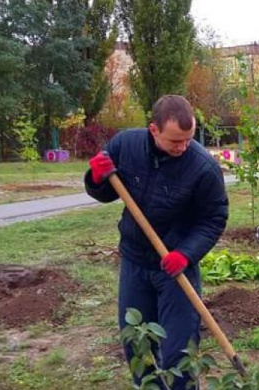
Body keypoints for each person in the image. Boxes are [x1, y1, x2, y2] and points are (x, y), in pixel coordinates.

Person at [84, 95, 229, 389]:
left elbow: (213, 219)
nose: (183, 147)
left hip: (175, 269)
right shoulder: (125, 146)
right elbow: (105, 191)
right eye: (175, 141)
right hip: (135, 262)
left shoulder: (202, 168)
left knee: (180, 351)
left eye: (188, 139)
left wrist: (186, 254)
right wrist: (95, 179)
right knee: (136, 342)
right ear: (154, 130)